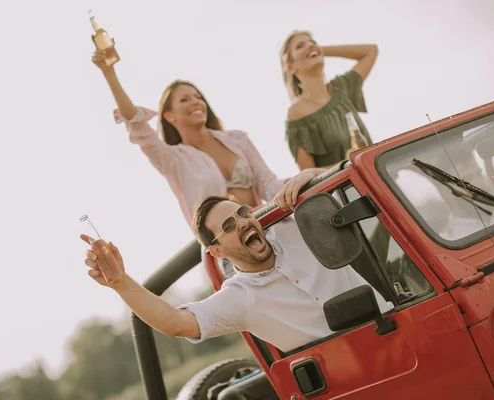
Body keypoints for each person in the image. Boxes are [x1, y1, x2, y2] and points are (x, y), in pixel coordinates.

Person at [81, 171, 393, 353]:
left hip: (399, 332)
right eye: (229, 226)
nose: (242, 223)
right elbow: (175, 323)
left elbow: (346, 172)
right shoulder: (239, 299)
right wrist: (121, 283)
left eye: (242, 213)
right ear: (217, 252)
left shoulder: (296, 225)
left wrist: (307, 177)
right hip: (349, 378)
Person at [92, 49, 284, 228]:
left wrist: (303, 182)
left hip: (266, 228)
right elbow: (137, 125)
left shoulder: (238, 140)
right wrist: (109, 72)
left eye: (197, 96)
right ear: (168, 115)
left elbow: (268, 183)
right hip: (228, 252)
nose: (196, 102)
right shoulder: (173, 160)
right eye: (185, 99)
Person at [280, 30, 379, 170]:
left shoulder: (342, 88)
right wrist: (345, 163)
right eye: (300, 45)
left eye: (313, 42)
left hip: (376, 175)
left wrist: (317, 50)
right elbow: (309, 176)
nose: (310, 45)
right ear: (290, 66)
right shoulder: (296, 114)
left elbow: (371, 51)